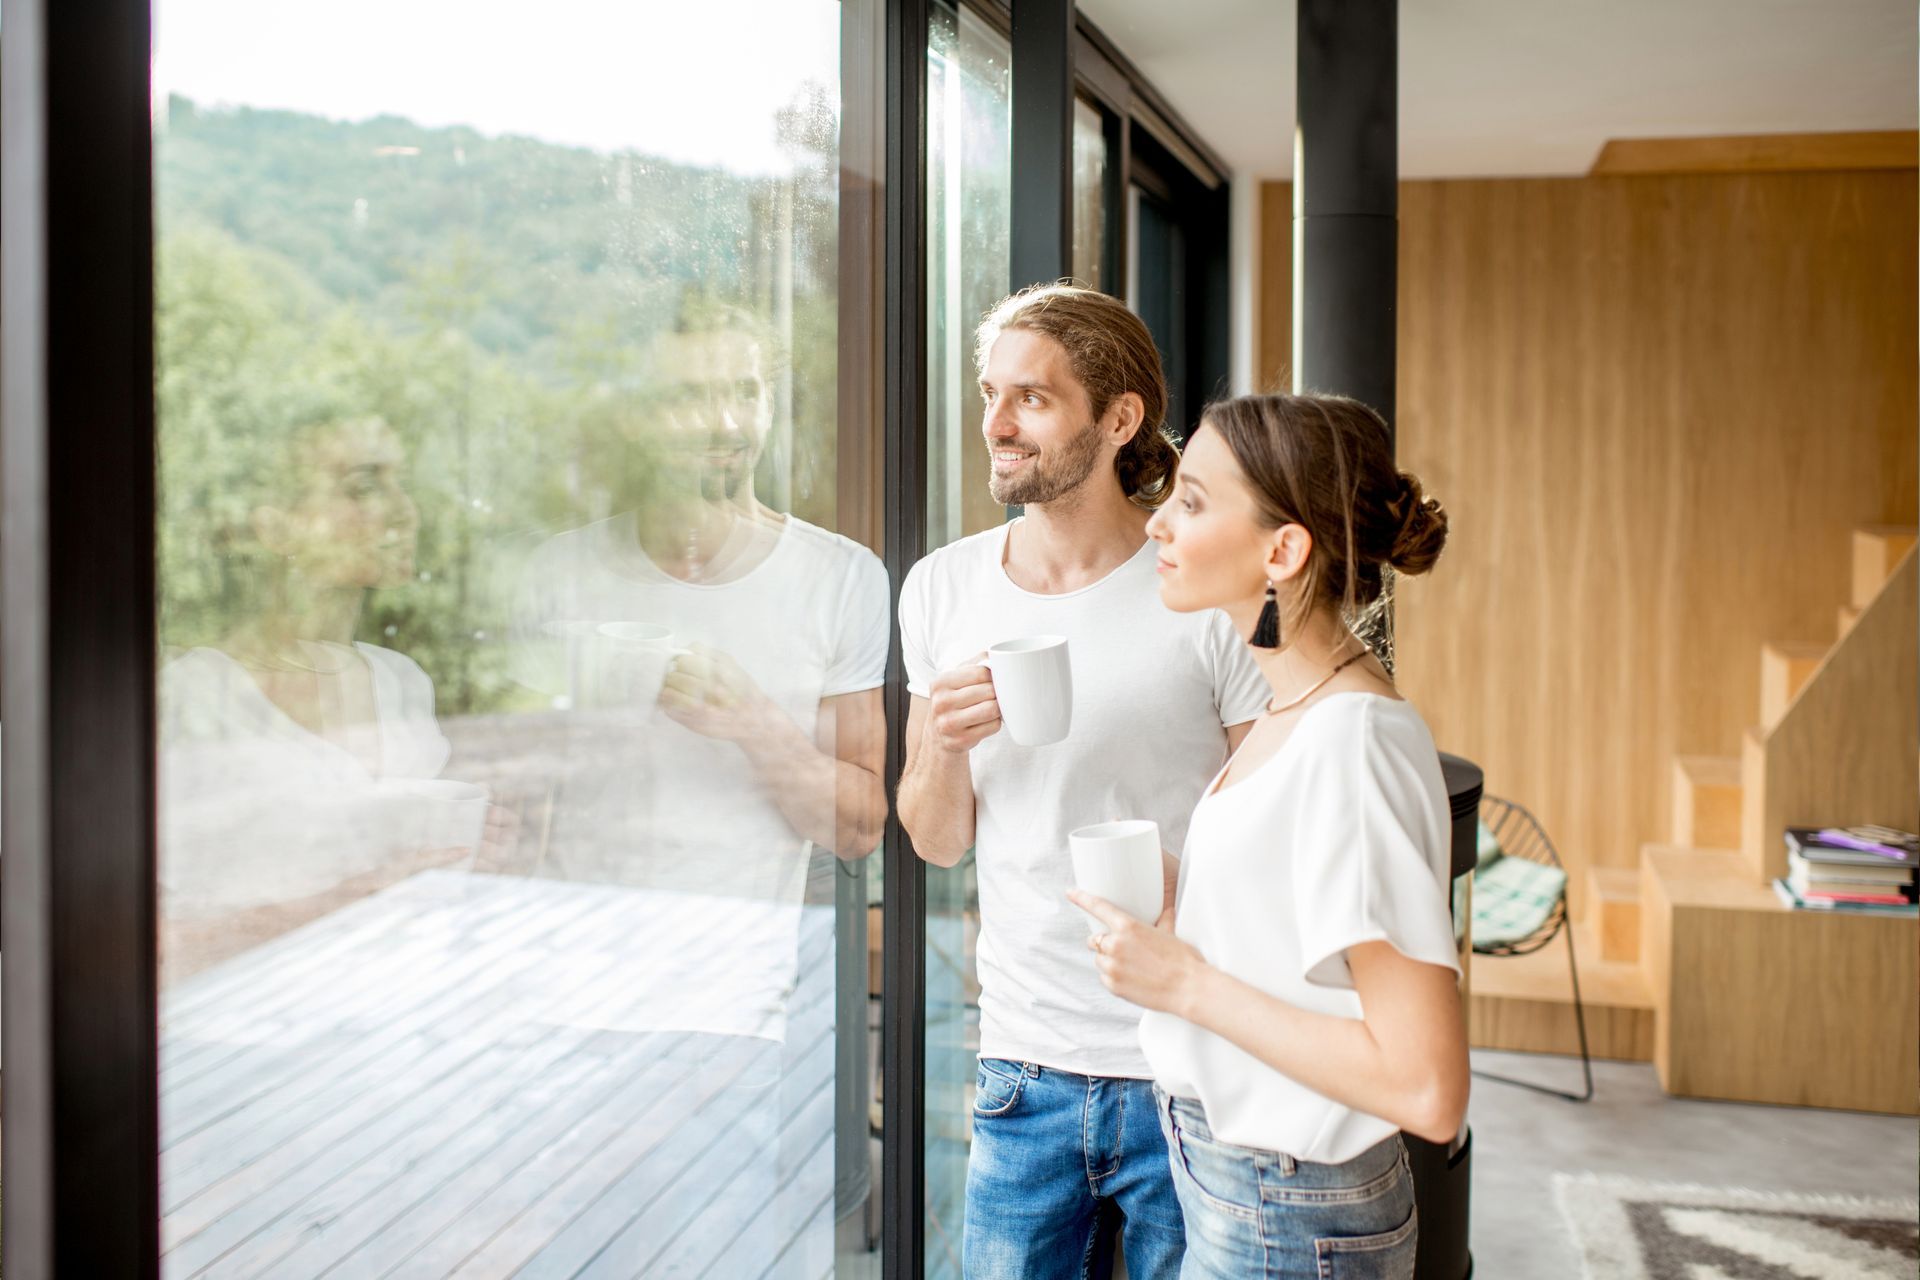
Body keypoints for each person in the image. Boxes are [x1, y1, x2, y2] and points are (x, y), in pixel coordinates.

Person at [897, 284, 1269, 1279]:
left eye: (1031, 397)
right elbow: (937, 838)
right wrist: (937, 741)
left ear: (1118, 418)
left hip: (1186, 1060)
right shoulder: (942, 587)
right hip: (1020, 1064)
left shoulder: (1202, 589)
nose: (996, 425)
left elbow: (1277, 818)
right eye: (988, 394)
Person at [1071, 392, 1469, 1279]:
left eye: (1195, 502)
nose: (1156, 527)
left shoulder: (1353, 738)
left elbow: (1426, 1089)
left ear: (1282, 551)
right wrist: (1196, 896)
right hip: (1245, 1189)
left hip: (1288, 1216)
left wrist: (1187, 984)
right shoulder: (1298, 702)